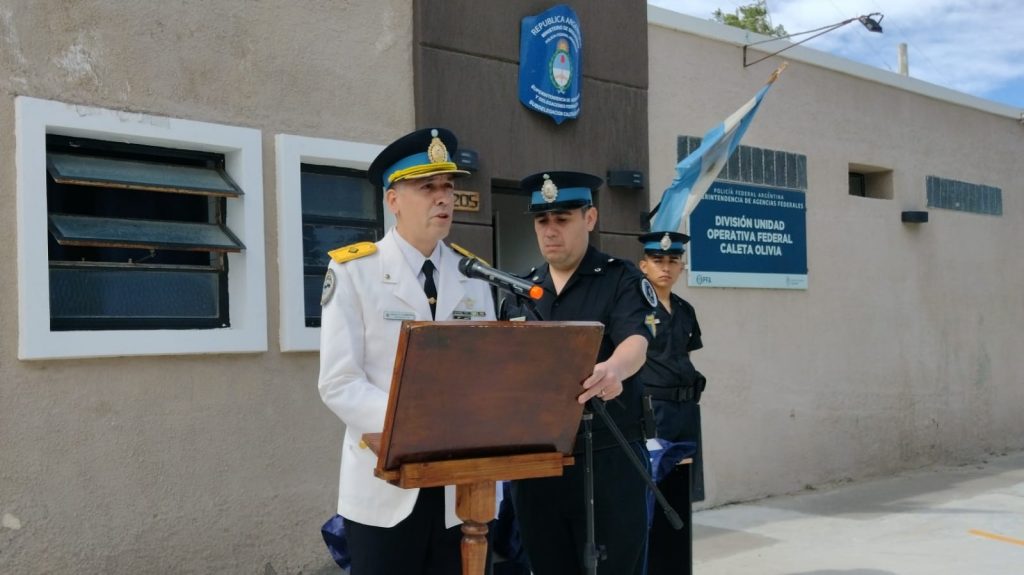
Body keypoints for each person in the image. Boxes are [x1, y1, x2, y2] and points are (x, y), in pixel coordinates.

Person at [318, 127, 496, 575]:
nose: (443, 198)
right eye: (426, 187)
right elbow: (339, 382)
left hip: (459, 489)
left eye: (448, 186)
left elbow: (487, 374)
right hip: (386, 488)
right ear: (392, 200)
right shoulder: (355, 271)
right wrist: (416, 426)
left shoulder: (474, 274)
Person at [499, 171, 655, 575]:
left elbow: (636, 341)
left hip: (608, 454)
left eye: (562, 219)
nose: (551, 231)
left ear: (590, 218)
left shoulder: (621, 278)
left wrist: (613, 370)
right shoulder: (519, 290)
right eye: (542, 221)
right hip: (538, 462)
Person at [635, 230, 706, 575]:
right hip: (652, 412)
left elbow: (682, 356)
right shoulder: (635, 307)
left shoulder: (685, 310)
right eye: (658, 261)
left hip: (685, 410)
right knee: (647, 497)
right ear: (643, 265)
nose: (666, 267)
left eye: (673, 261)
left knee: (679, 494)